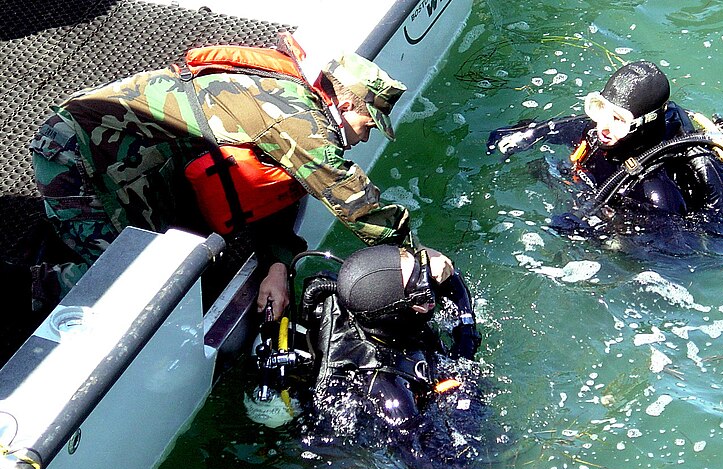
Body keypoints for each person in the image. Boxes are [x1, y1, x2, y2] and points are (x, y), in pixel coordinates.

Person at [27, 34, 453, 316]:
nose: (363, 138)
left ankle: (73, 235)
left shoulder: (294, 101)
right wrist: (413, 256)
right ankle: (34, 283)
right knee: (131, 286)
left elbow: (273, 193)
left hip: (137, 160)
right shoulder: (296, 120)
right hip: (76, 154)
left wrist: (277, 265)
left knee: (174, 255)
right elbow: (349, 194)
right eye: (368, 125)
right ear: (347, 106)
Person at [486, 60, 723, 236]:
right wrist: (528, 134)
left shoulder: (656, 192)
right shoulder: (601, 131)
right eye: (600, 109)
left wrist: (603, 234)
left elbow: (665, 257)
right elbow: (551, 130)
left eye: (618, 120)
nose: (603, 127)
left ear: (644, 123)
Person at [286, 244, 484, 469]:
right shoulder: (389, 392)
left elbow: (451, 280)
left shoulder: (362, 300)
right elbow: (449, 468)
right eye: (418, 286)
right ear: (395, 310)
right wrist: (465, 389)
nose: (428, 286)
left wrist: (467, 334)